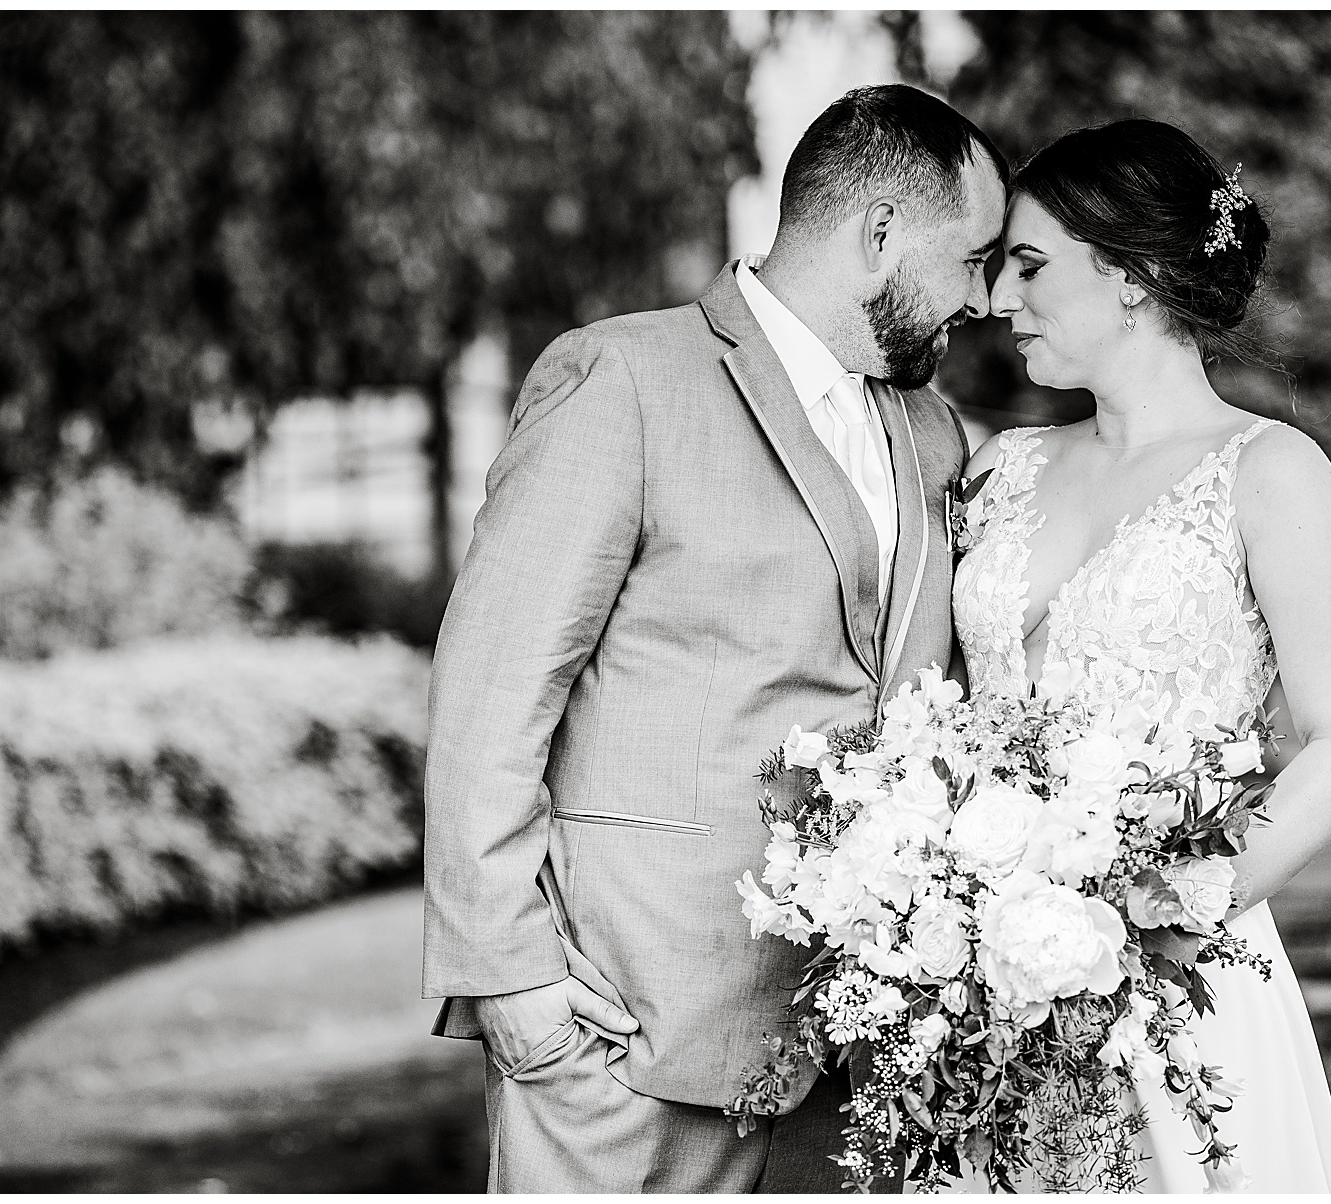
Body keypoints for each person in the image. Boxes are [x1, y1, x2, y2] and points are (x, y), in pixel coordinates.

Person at [422, 84, 1007, 1192]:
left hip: (854, 1055)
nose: (980, 299)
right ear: (880, 234)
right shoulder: (626, 381)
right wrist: (515, 986)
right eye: (972, 259)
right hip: (621, 1041)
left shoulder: (933, 431)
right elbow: (490, 693)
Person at [955, 118, 1331, 1192]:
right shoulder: (1001, 465)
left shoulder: (1271, 470)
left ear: (1136, 278)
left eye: (1030, 264)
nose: (1000, 300)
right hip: (988, 986)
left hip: (1182, 975)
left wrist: (1185, 902)